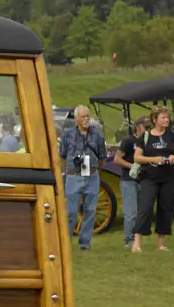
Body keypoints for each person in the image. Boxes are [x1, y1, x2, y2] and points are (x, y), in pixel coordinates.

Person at [133, 106, 174, 253]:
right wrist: (153, 159)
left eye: (167, 117)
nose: (166, 120)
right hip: (150, 177)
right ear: (155, 120)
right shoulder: (146, 137)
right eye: (163, 117)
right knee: (145, 208)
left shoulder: (173, 136)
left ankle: (161, 243)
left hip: (169, 178)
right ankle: (137, 243)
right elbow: (137, 157)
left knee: (166, 209)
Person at [59, 105, 107, 251]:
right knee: (71, 212)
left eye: (88, 116)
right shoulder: (67, 135)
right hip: (74, 176)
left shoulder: (97, 134)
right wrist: (65, 172)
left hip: (91, 176)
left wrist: (93, 168)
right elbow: (62, 155)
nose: (86, 119)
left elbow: (102, 156)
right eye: (83, 117)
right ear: (76, 119)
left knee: (90, 211)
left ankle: (84, 243)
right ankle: (65, 242)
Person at [113, 116, 151, 249]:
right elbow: (117, 159)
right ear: (138, 127)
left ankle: (137, 239)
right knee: (131, 212)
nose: (148, 130)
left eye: (150, 127)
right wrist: (132, 166)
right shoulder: (128, 141)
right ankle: (128, 239)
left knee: (142, 212)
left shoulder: (147, 141)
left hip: (143, 180)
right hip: (129, 180)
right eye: (146, 127)